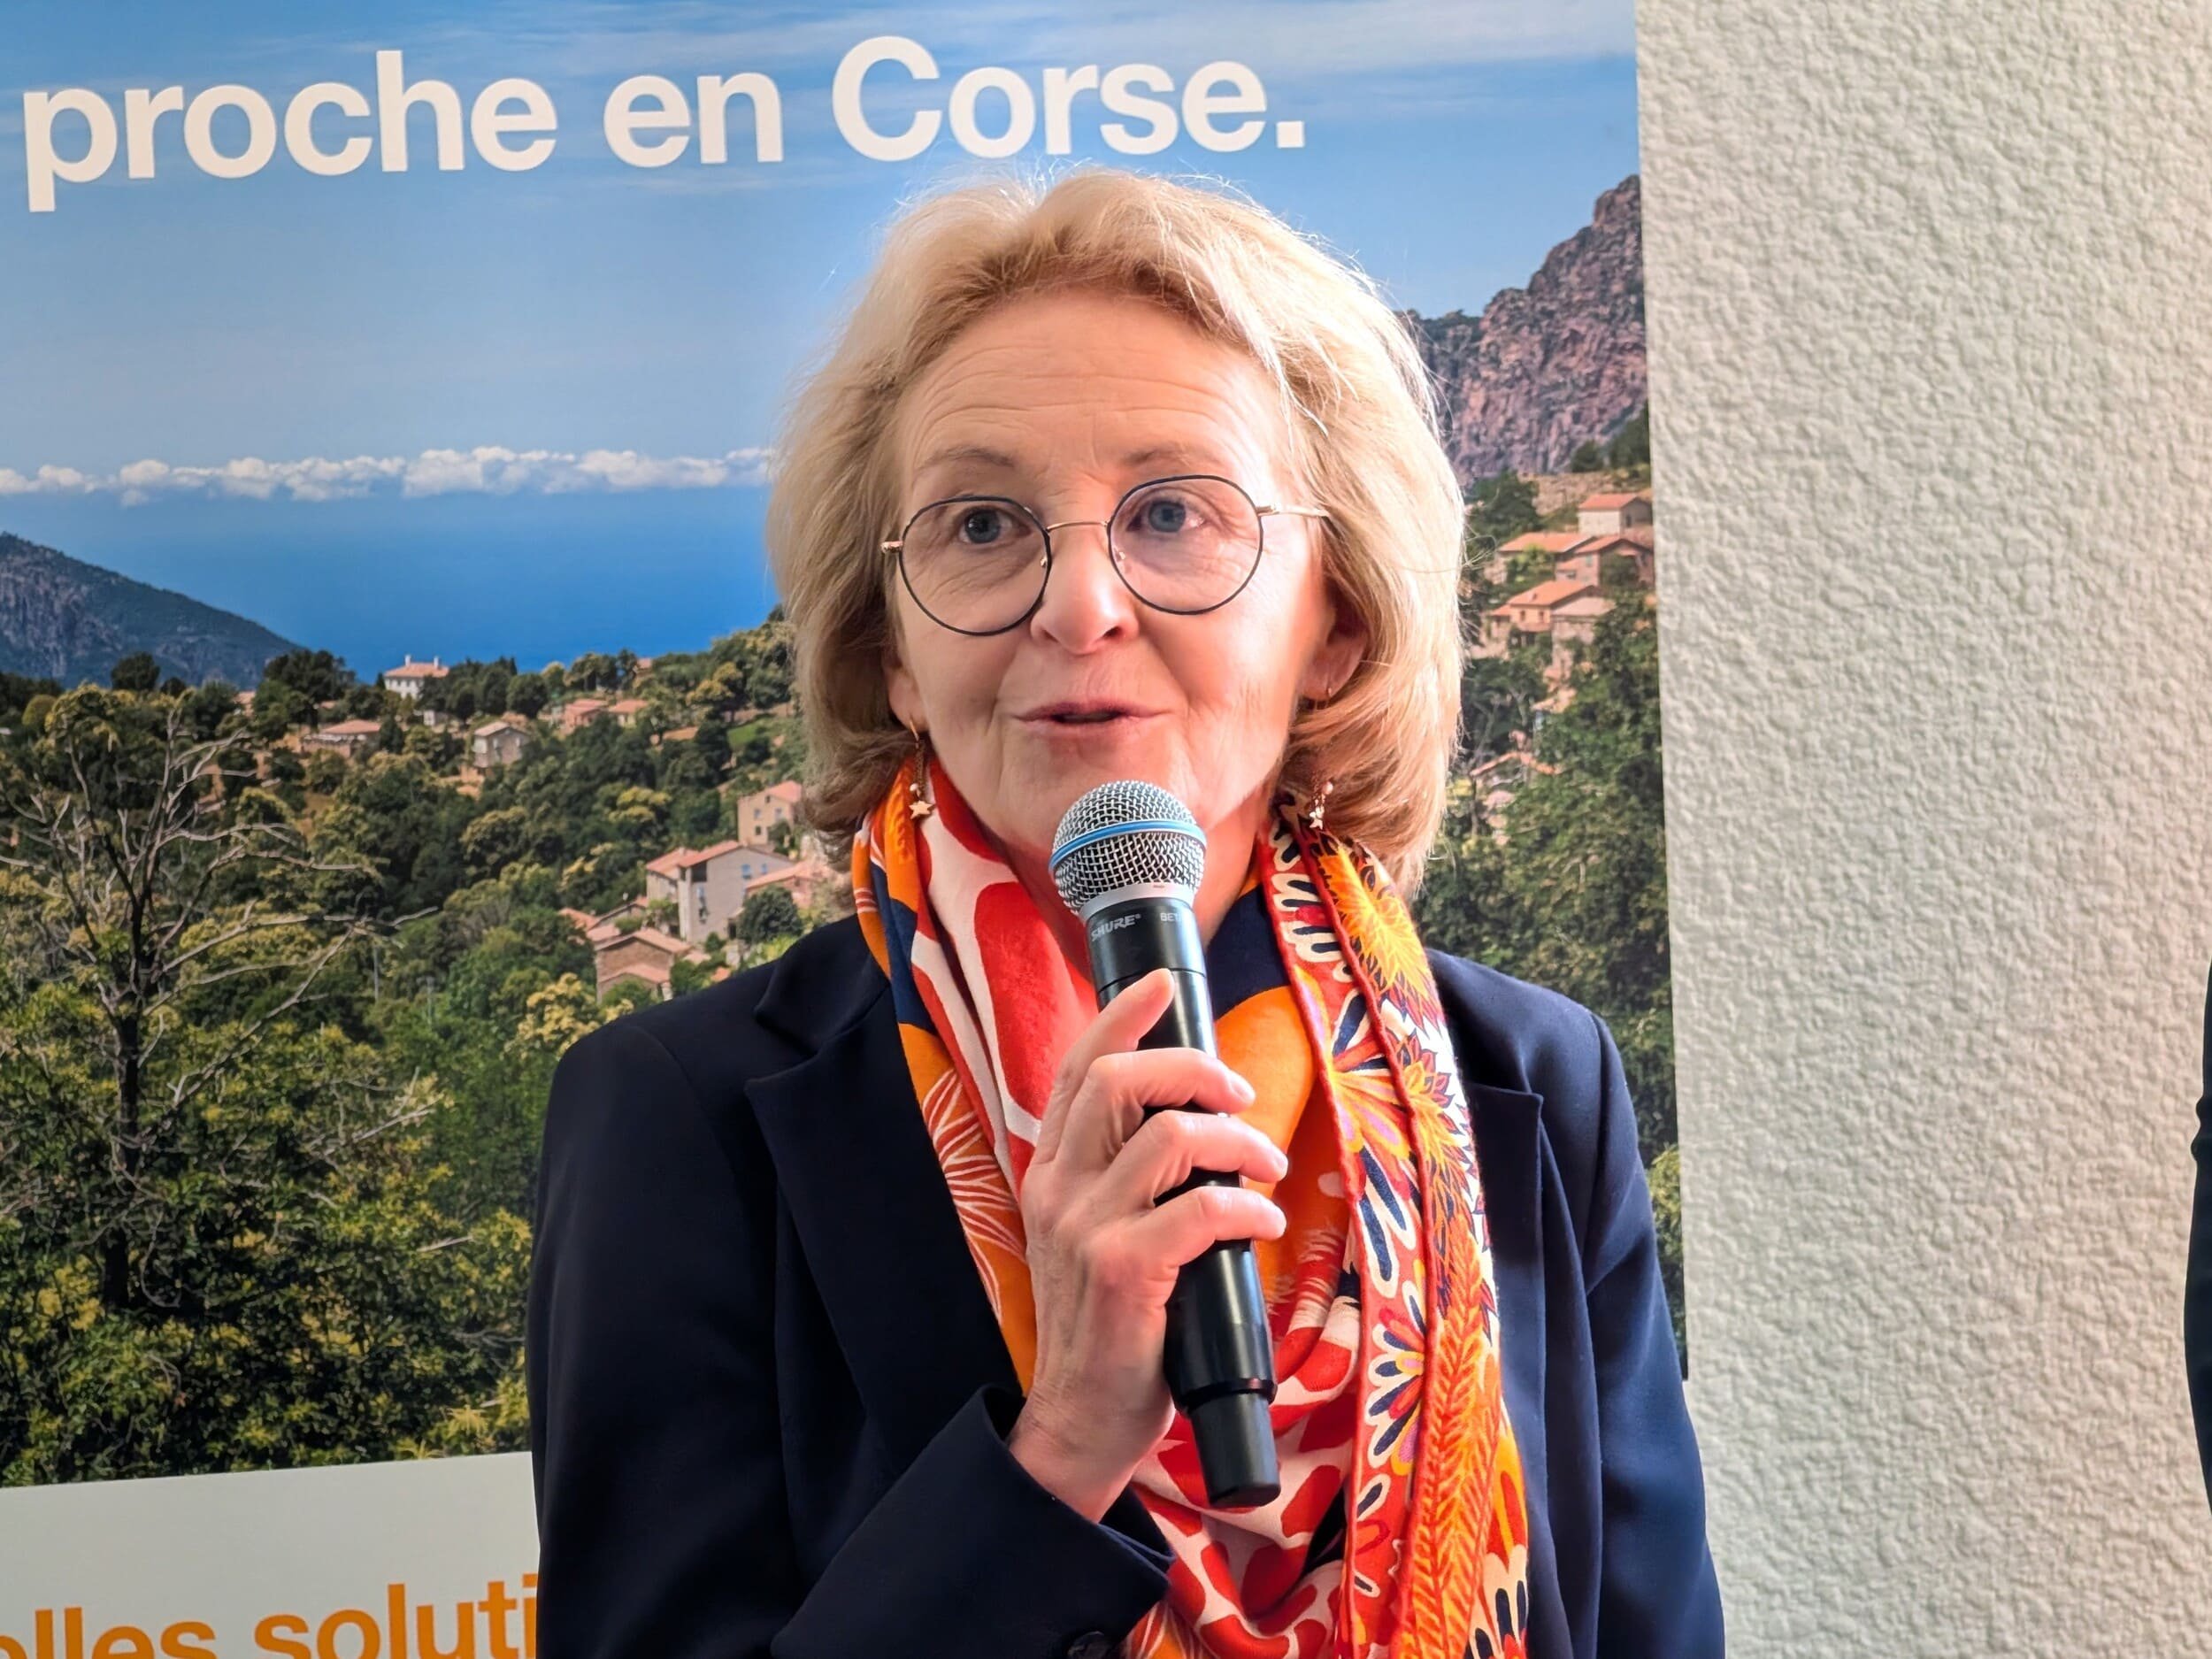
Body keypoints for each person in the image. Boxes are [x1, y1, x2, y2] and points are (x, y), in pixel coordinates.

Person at [526, 166, 1724, 1658]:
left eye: (1172, 513)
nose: (1077, 603)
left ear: (1336, 620)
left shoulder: (1534, 1083)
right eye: (981, 523)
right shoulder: (680, 1122)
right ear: (893, 655)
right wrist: (1062, 1445)